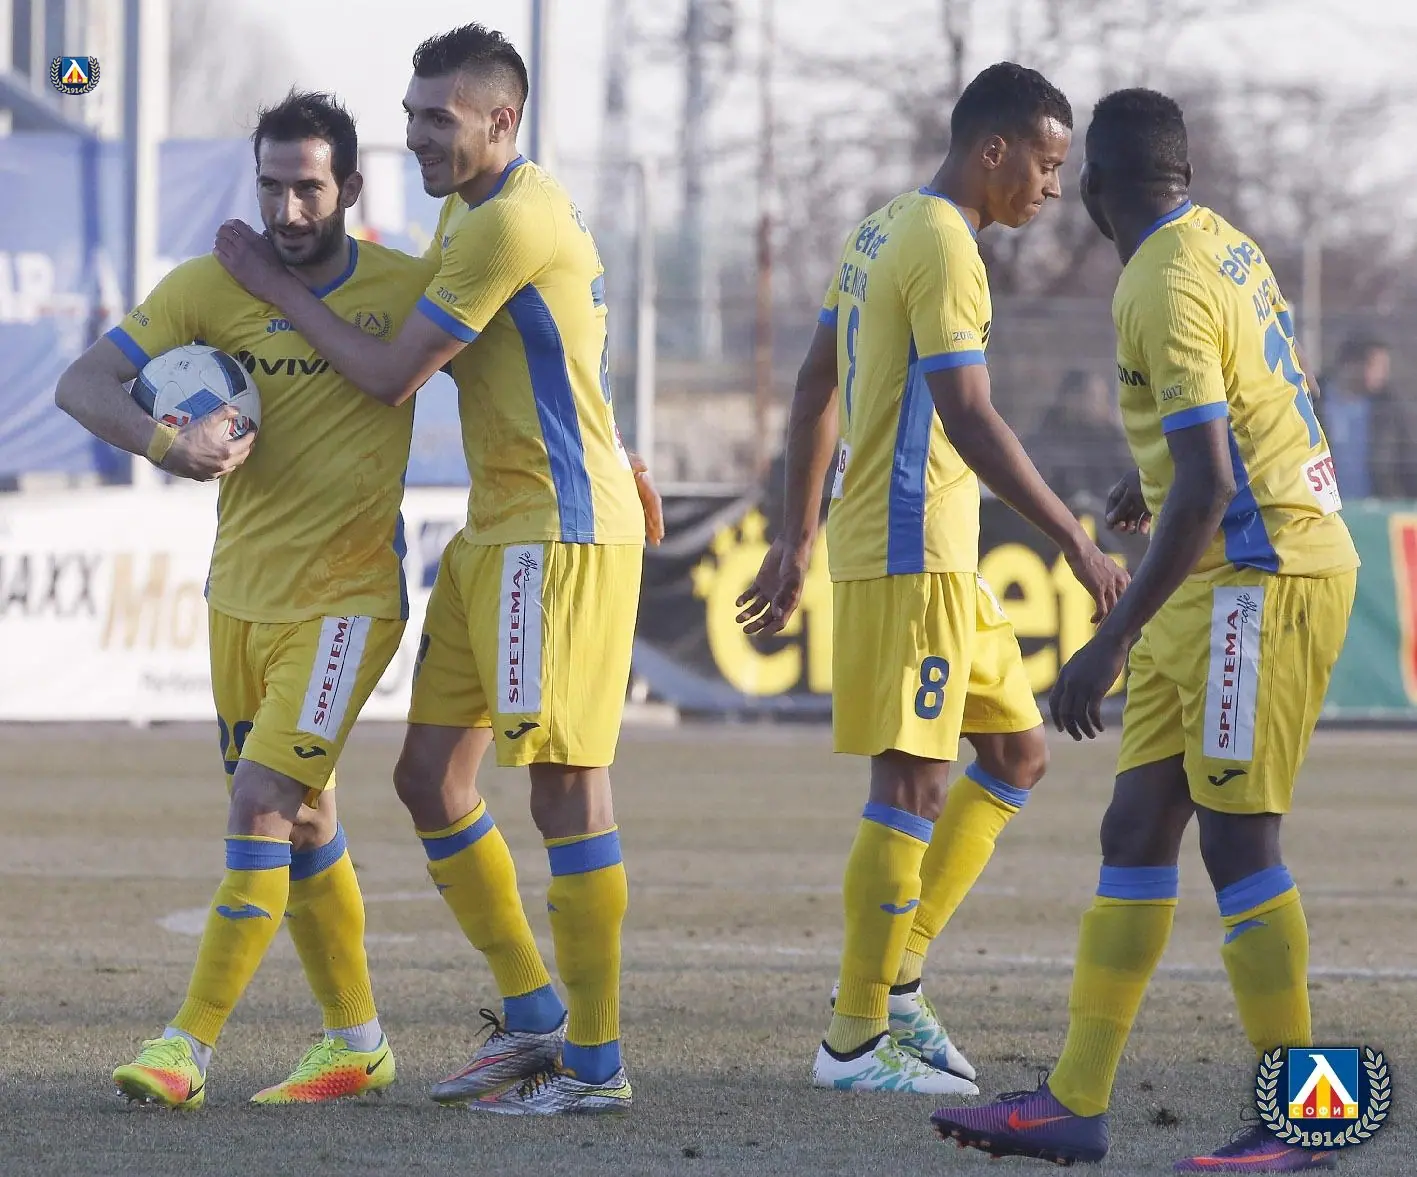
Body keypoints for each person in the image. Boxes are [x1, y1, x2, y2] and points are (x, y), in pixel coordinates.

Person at [213, 24, 662, 1116]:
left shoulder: (507, 220)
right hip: (493, 529)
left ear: (501, 121)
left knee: (564, 787)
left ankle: (595, 1066)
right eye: (411, 114)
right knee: (429, 780)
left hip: (551, 534)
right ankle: (535, 1014)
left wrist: (270, 284)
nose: (414, 135)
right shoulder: (473, 209)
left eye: (435, 118)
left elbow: (388, 374)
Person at [931, 89, 1358, 1172]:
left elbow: (1211, 482)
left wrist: (1110, 636)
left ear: (1094, 189)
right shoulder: (1221, 244)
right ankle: (1073, 1103)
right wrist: (1153, 469)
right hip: (1216, 578)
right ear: (1183, 176)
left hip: (1260, 577)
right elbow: (1276, 395)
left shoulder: (1157, 282)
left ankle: (1308, 1121)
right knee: (1133, 826)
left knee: (1237, 841)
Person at [735, 62, 1127, 1096]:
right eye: (1043, 164)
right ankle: (854, 1039)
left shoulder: (880, 228)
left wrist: (798, 536)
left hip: (936, 555)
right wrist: (1075, 540)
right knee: (910, 782)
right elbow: (969, 413)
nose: (1052, 187)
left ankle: (897, 983)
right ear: (992, 150)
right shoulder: (946, 244)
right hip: (911, 547)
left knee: (1018, 752)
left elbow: (814, 384)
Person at [55, 91, 434, 1107]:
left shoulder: (404, 288)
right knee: (302, 822)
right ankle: (356, 1042)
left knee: (262, 802)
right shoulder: (205, 287)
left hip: (350, 600)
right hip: (240, 601)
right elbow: (82, 384)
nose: (287, 209)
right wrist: (164, 442)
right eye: (270, 186)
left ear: (350, 188)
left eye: (308, 187)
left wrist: (610, 456)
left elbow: (510, 375)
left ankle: (187, 1046)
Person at [1317, 334, 1416, 499]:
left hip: (1375, 508)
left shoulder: (1388, 409)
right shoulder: (1311, 400)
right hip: (1321, 506)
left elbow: (1407, 460)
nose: (1384, 374)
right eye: (1377, 366)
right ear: (1351, 364)